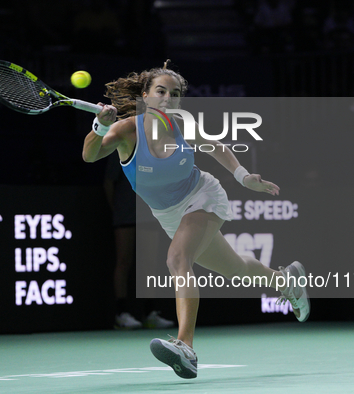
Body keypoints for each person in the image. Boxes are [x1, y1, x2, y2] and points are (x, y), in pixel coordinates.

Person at [82, 60, 310, 379]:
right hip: (169, 214)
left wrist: (243, 177)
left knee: (178, 259)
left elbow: (215, 147)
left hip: (203, 195)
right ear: (145, 96)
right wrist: (100, 126)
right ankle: (285, 281)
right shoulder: (127, 130)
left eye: (174, 94)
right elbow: (89, 156)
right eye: (160, 91)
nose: (168, 99)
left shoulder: (181, 124)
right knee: (235, 269)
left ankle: (185, 347)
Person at [104, 152, 174, 330]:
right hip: (124, 215)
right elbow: (108, 183)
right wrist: (117, 209)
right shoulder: (119, 147)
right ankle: (121, 314)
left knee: (149, 264)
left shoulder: (152, 151)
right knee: (123, 262)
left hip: (148, 215)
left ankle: (149, 313)